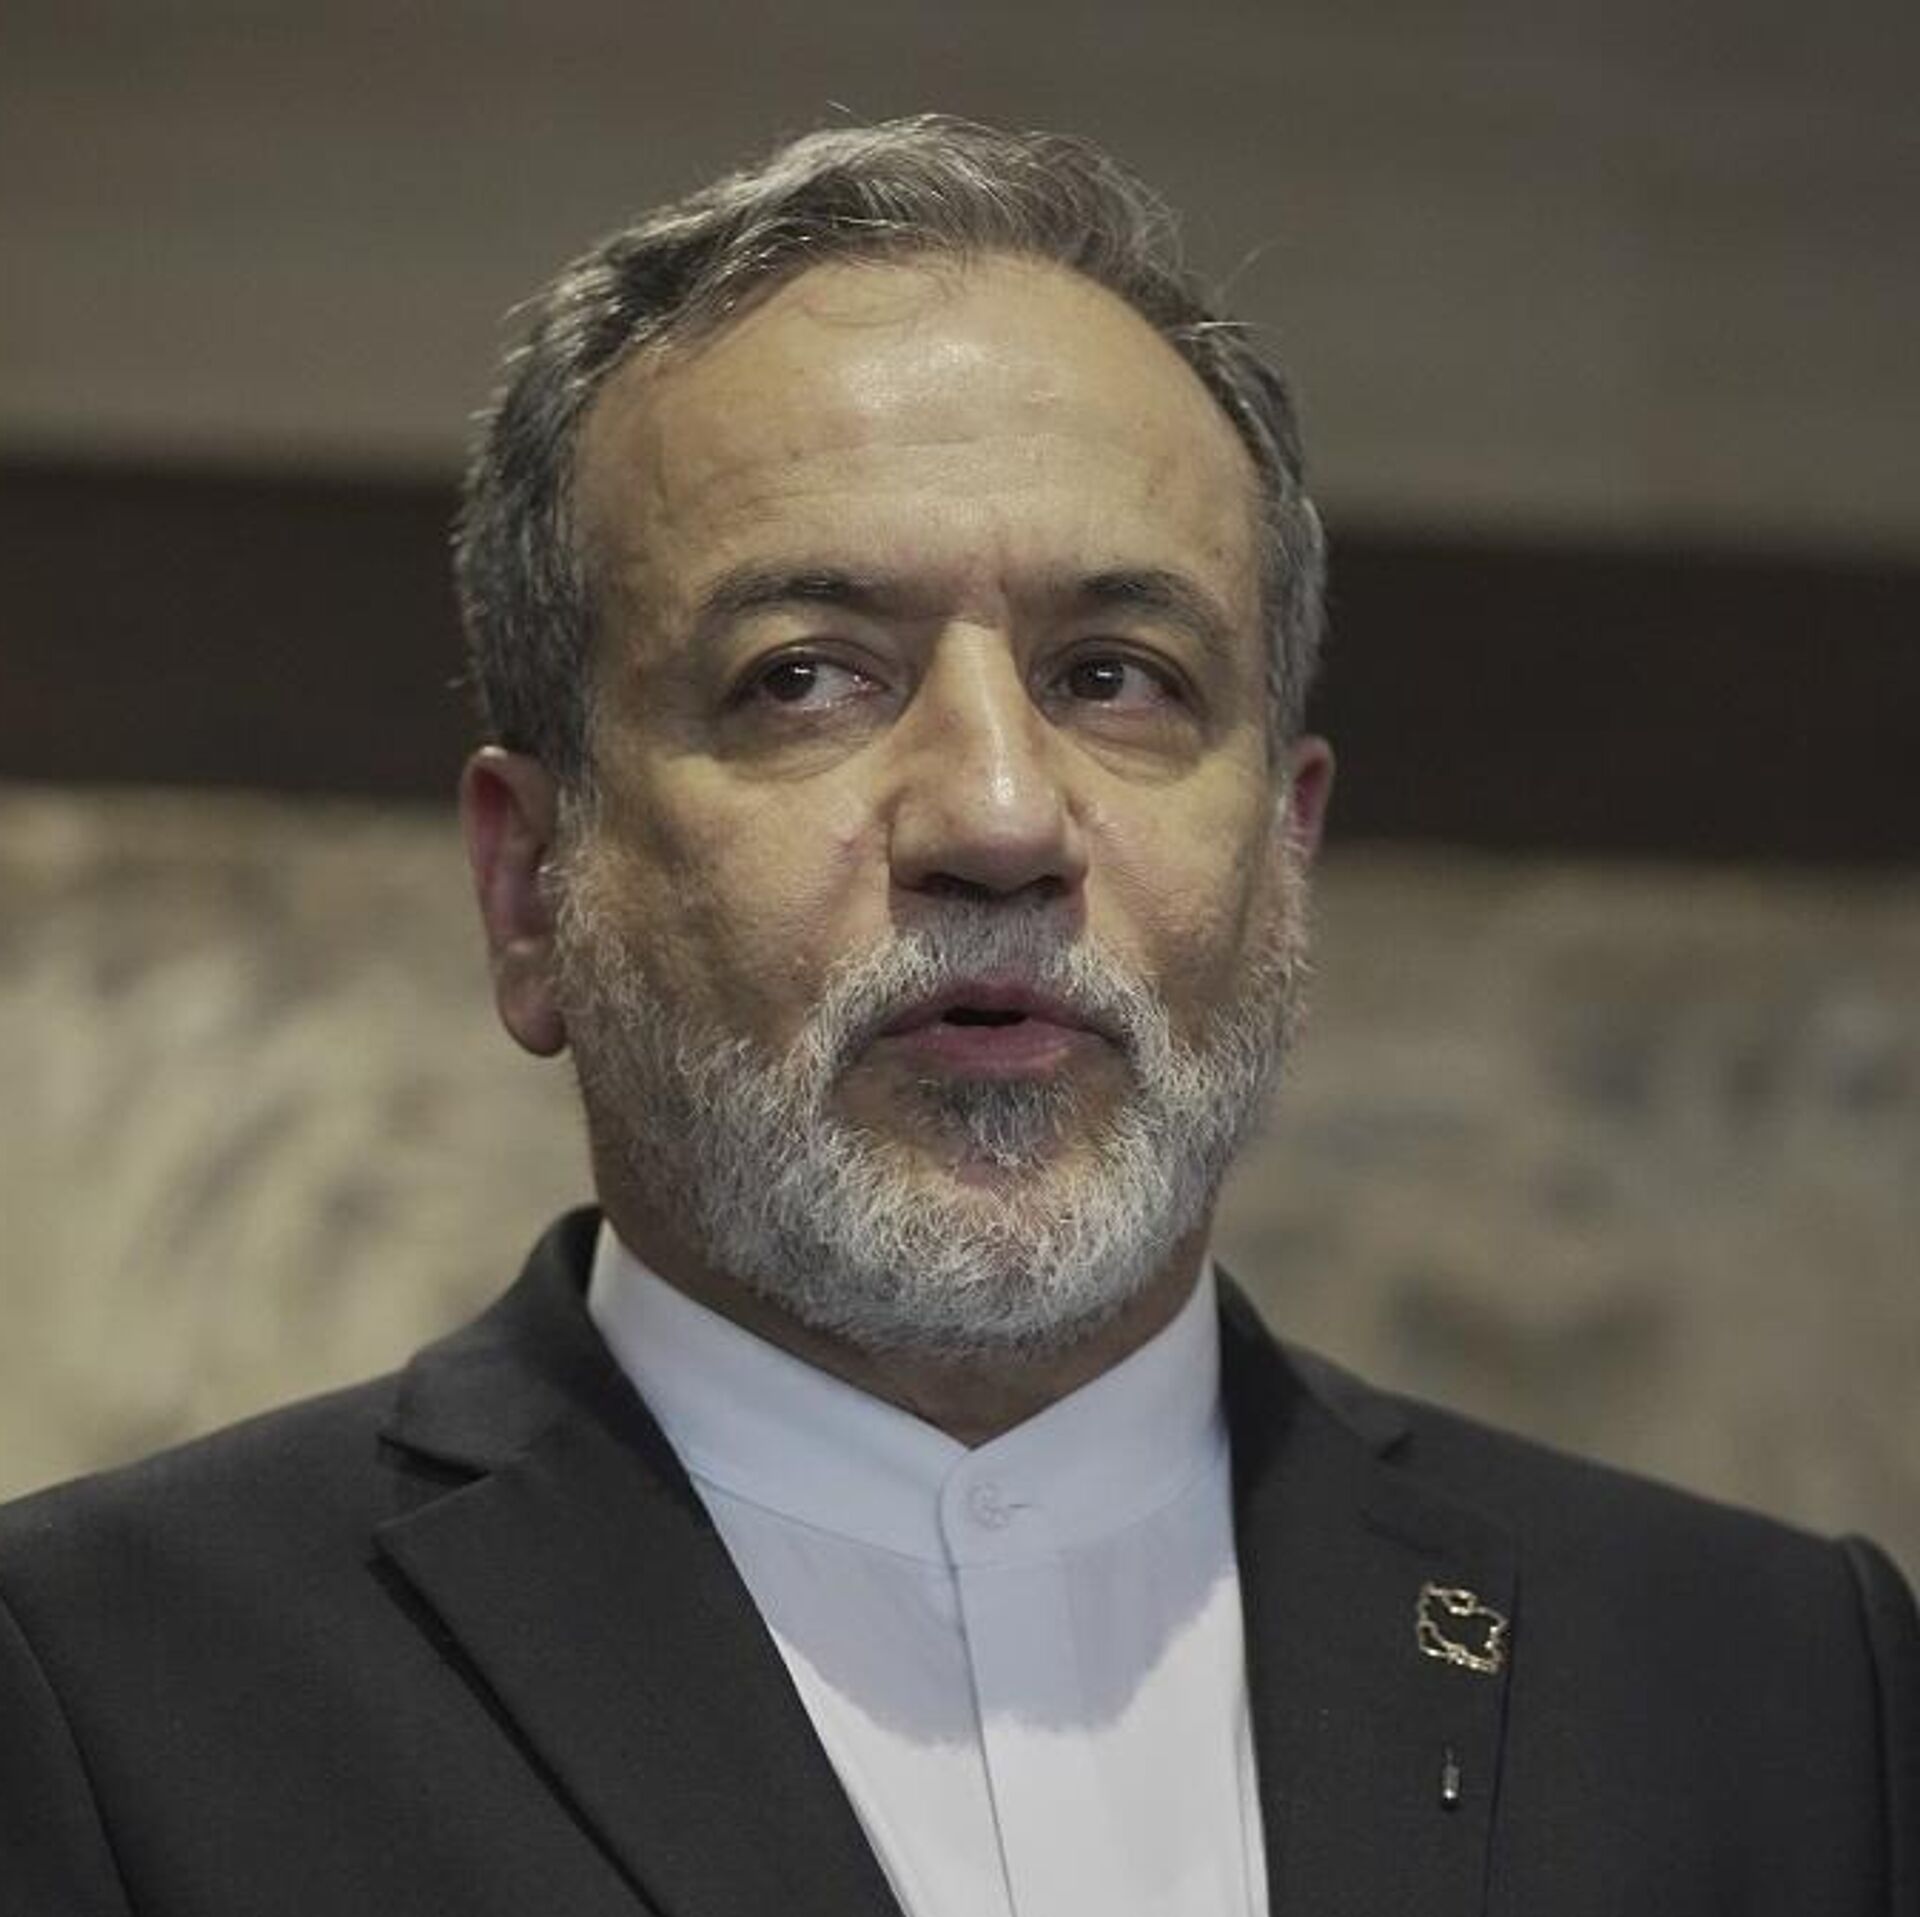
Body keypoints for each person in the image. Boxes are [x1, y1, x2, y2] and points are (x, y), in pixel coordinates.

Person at [0, 115, 1913, 1917]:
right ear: (530, 889)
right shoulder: (104, 1689)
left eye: (1119, 674)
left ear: (1286, 853)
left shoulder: (1773, 1686)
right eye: (806, 677)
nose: (1000, 817)